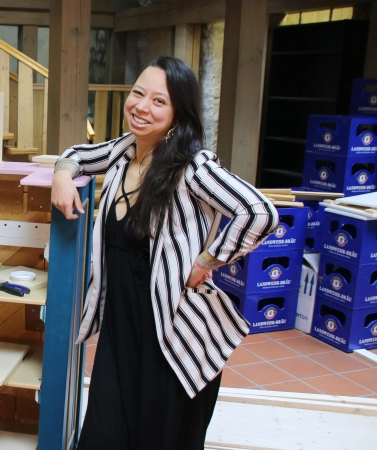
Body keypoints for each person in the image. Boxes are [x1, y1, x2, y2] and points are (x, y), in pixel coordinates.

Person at [51, 57, 279, 449]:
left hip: (169, 338)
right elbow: (76, 153)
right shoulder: (124, 151)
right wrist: (61, 175)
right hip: (122, 332)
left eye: (159, 101)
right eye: (138, 93)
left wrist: (208, 260)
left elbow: (260, 212)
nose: (142, 107)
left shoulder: (192, 166)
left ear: (177, 113)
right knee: (103, 436)